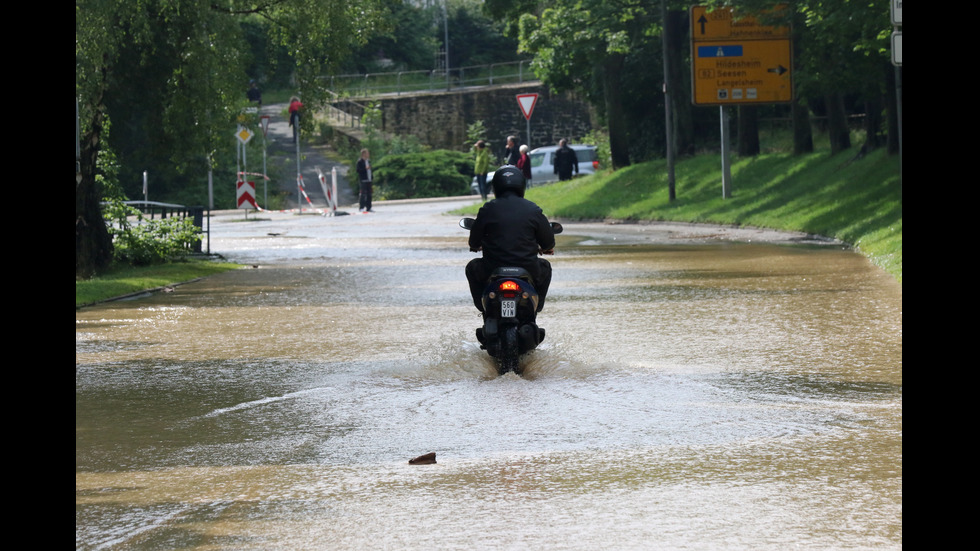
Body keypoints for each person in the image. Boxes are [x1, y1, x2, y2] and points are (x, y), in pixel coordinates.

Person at [466, 166, 555, 313]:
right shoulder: (533, 209)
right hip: (528, 269)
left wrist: (477, 245)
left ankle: (484, 307)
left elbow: (473, 241)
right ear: (522, 186)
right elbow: (548, 242)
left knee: (472, 267)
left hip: (492, 269)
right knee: (545, 266)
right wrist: (546, 248)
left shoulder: (487, 209)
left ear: (495, 187)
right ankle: (536, 307)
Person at [356, 148, 373, 212]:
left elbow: (370, 170)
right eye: (367, 153)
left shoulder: (368, 161)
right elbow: (358, 170)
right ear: (363, 154)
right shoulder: (360, 162)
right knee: (363, 194)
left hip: (369, 179)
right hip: (363, 179)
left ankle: (369, 207)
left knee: (369, 194)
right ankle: (361, 207)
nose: (368, 154)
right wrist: (365, 168)